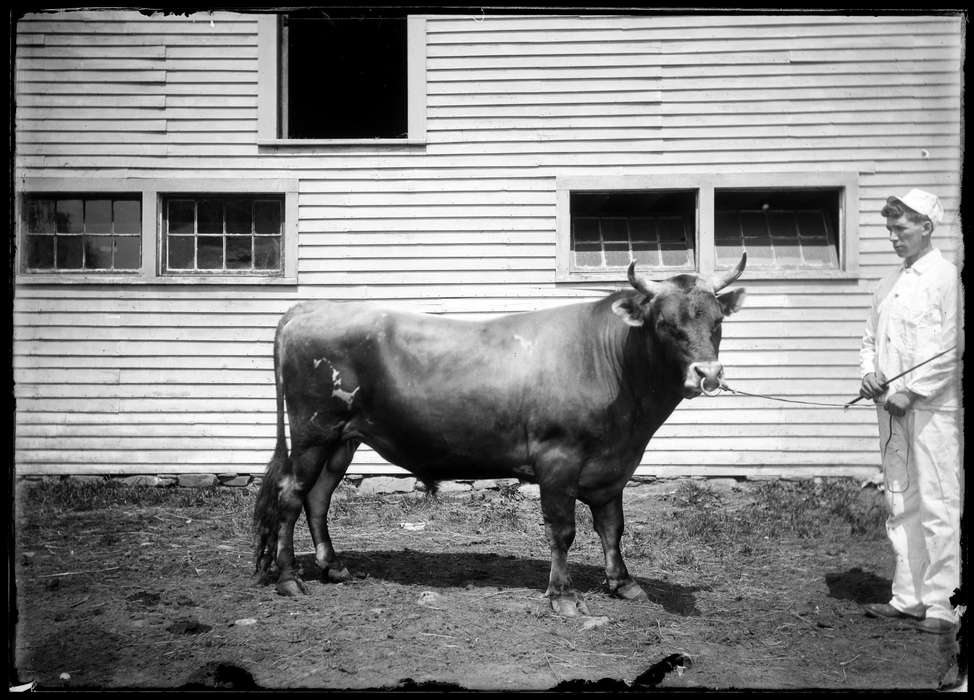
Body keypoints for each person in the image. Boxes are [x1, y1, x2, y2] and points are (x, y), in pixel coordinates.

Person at [858, 188, 962, 635]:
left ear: (926, 227)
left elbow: (951, 348)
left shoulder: (947, 278)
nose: (893, 237)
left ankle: (945, 606)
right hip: (891, 409)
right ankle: (908, 598)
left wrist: (914, 391)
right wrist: (869, 376)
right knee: (900, 501)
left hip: (934, 411)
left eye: (900, 229)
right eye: (889, 229)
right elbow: (868, 342)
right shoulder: (888, 284)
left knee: (940, 503)